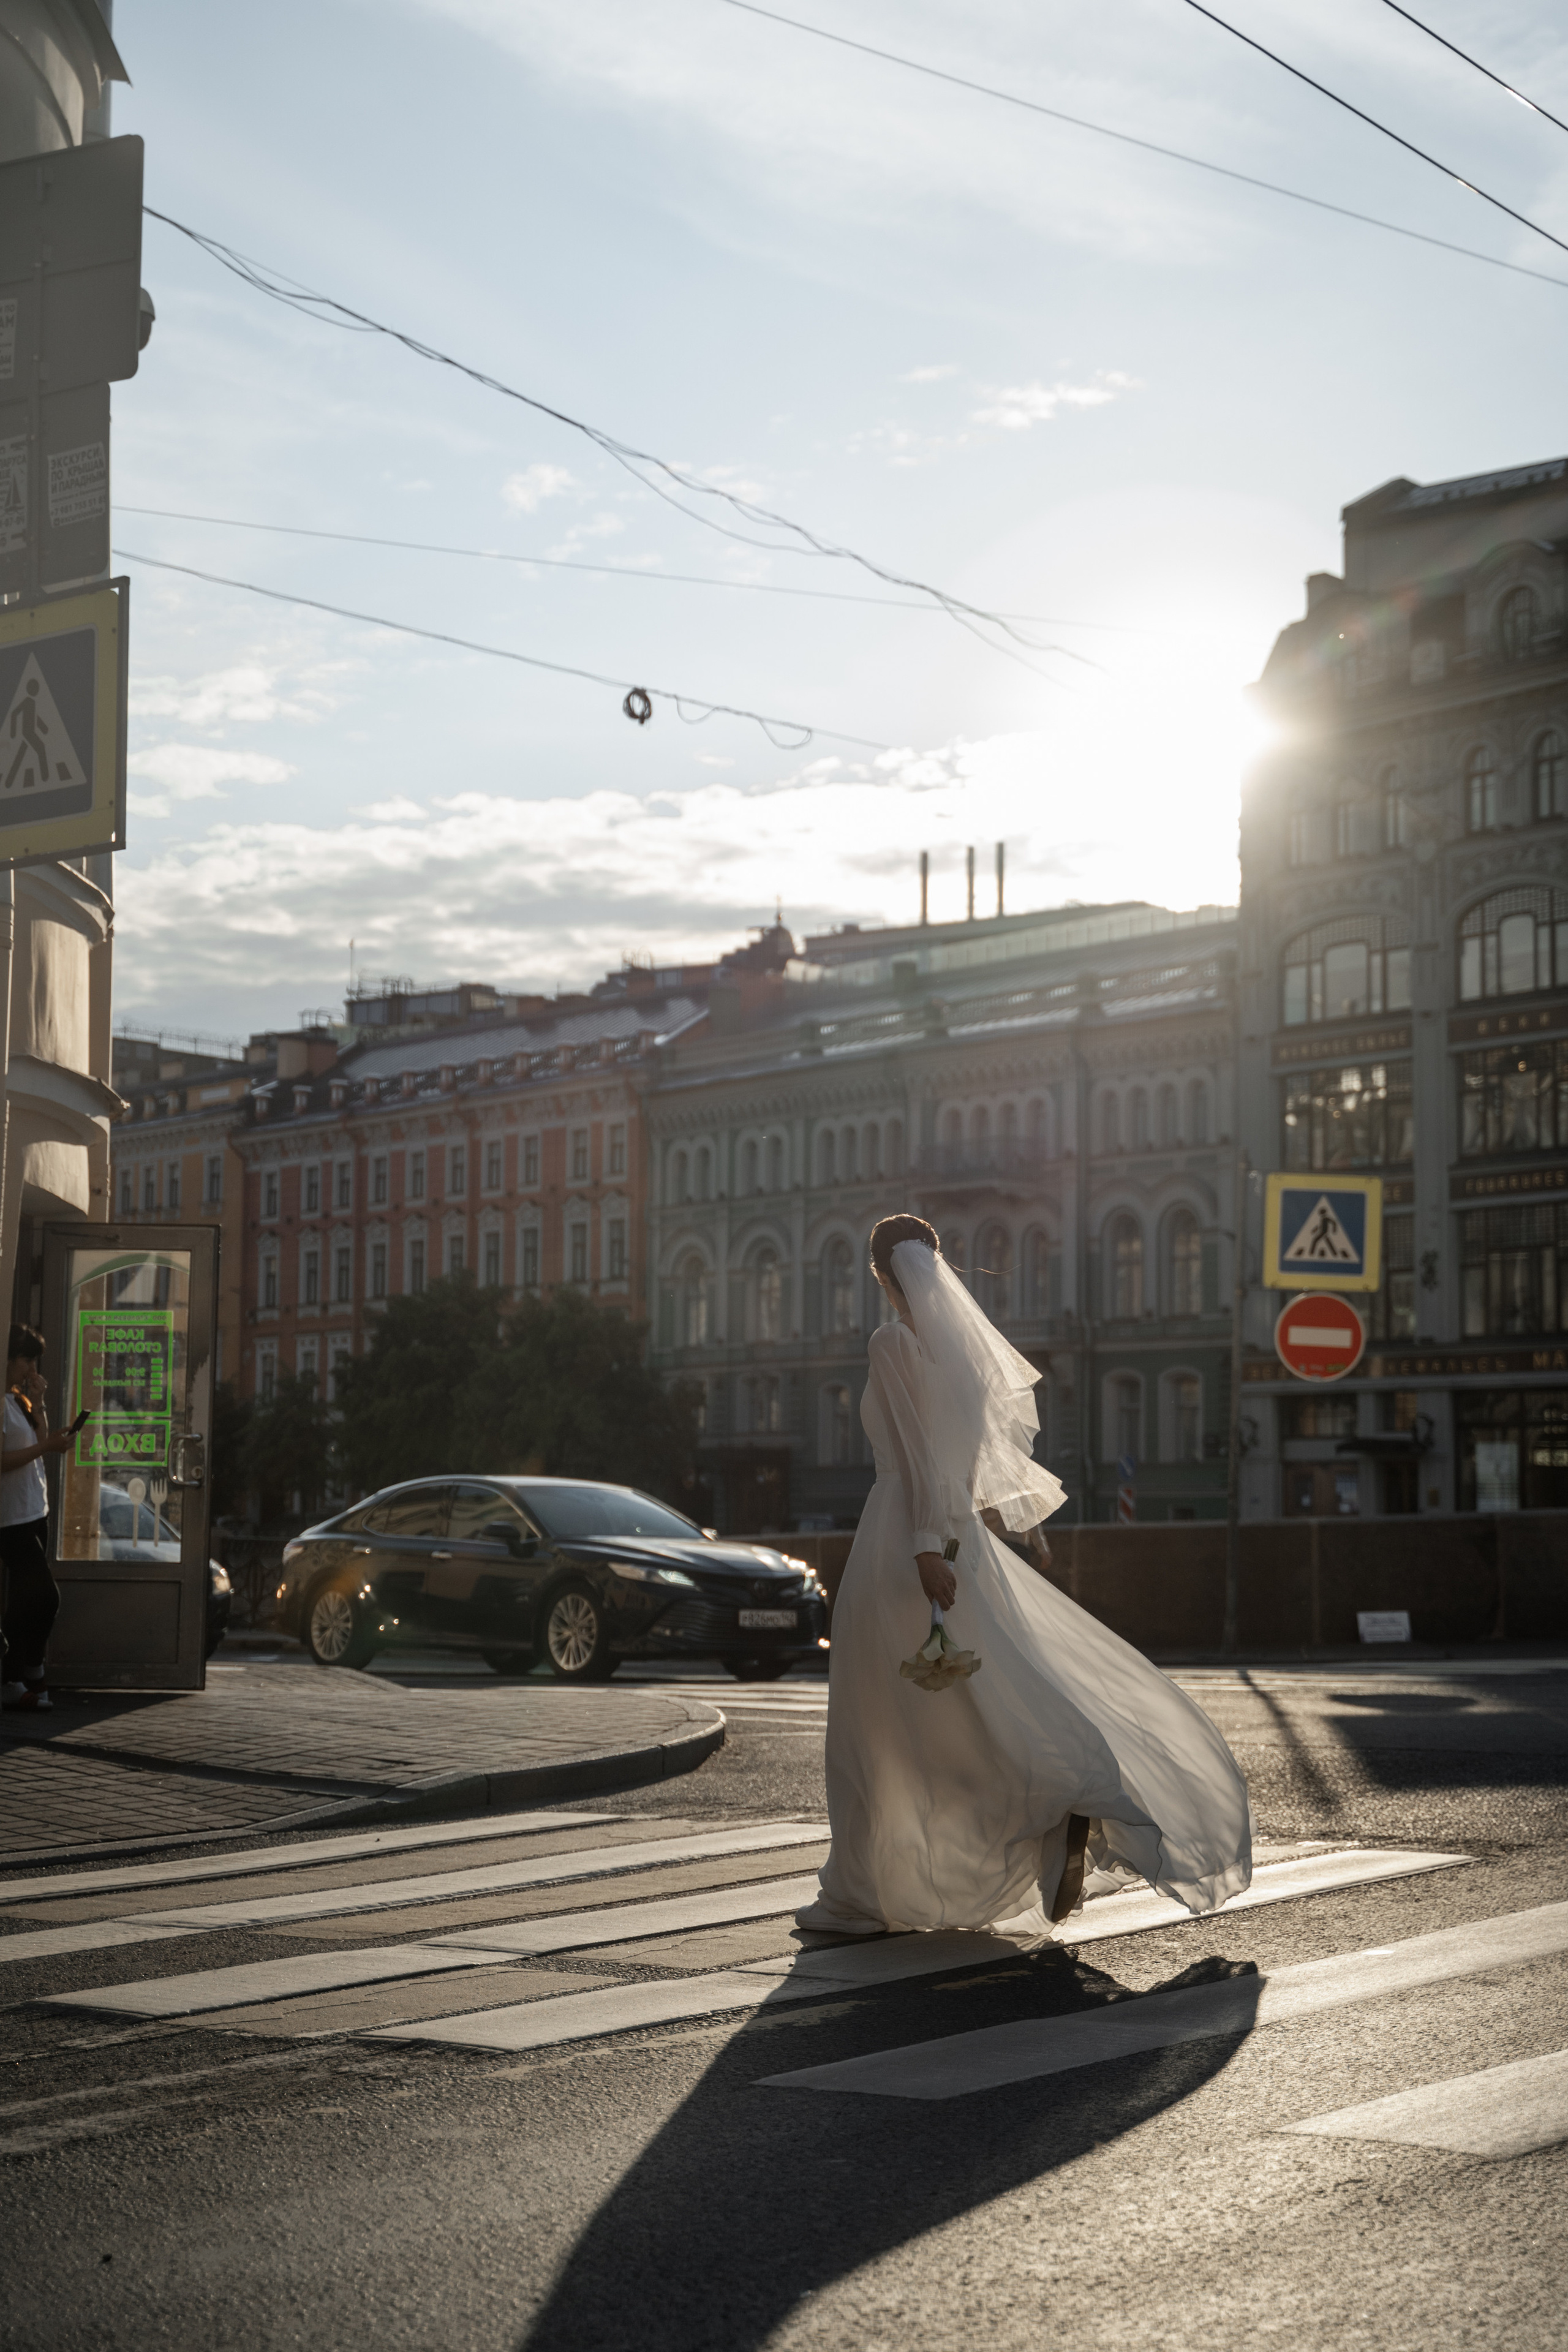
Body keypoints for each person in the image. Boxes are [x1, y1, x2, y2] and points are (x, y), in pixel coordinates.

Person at [795, 1215, 1253, 1939]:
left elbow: (915, 1458)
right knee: (987, 1706)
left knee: (875, 1726)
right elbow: (975, 1463)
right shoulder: (968, 1358)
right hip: (963, 1540)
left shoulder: (892, 1343)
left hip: (901, 1542)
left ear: (883, 1276)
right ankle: (1056, 1810)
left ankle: (861, 1891)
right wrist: (998, 1534)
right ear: (936, 1266)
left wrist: (921, 1549)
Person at [1, 1322, 74, 1711]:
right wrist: (46, 1444)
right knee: (45, 1597)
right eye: (27, 1359)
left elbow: (40, 1442)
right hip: (8, 1518)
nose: (32, 1368)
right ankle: (30, 1668)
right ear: (8, 1358)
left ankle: (13, 1677)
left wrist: (40, 1404)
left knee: (26, 1600)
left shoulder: (17, 1399)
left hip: (33, 1510)